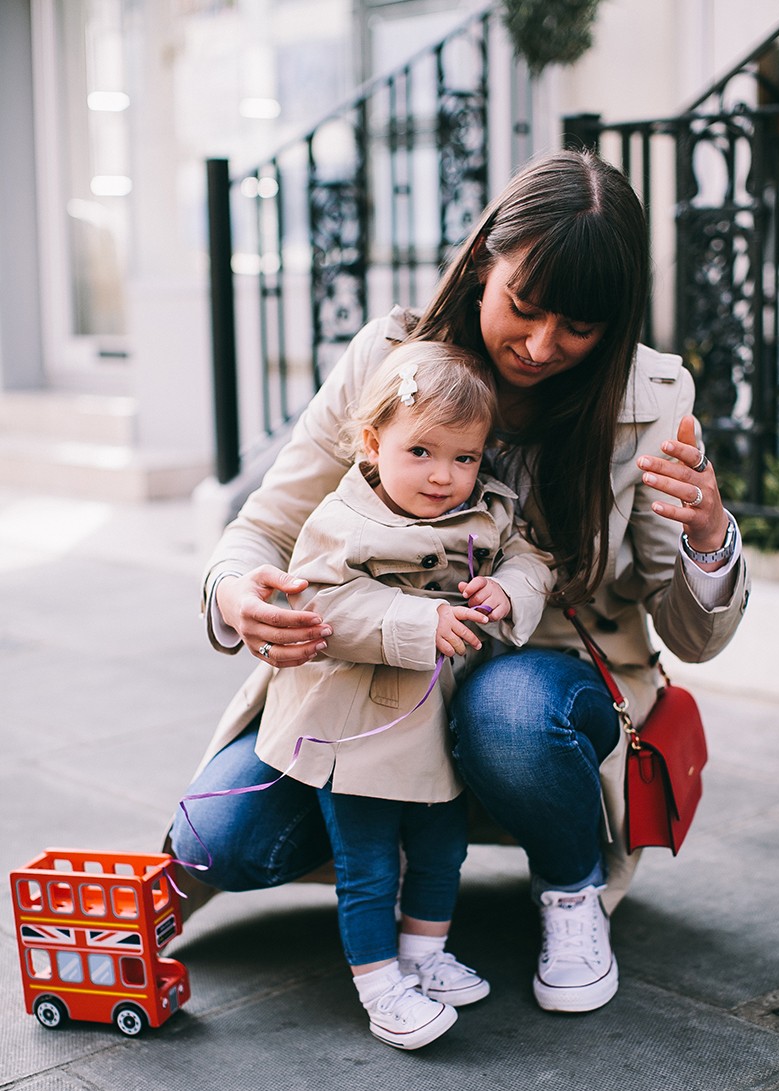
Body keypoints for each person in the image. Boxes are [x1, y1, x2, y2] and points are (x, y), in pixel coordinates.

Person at [169, 148, 749, 1021]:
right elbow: (266, 522)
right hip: (373, 685)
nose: (543, 346)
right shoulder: (391, 361)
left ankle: (569, 887)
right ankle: (403, 838)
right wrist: (234, 590)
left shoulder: (653, 397)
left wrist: (709, 535)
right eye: (525, 305)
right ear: (486, 258)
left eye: (579, 326)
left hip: (542, 687)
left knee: (507, 714)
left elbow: (692, 634)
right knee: (213, 842)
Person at [239, 340, 552, 1048]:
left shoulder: (488, 510)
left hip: (435, 723)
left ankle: (425, 956)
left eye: (465, 458)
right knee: (369, 862)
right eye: (422, 453)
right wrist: (418, 618)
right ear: (375, 444)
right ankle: (381, 986)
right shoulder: (340, 523)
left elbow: (535, 557)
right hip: (359, 728)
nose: (446, 477)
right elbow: (322, 607)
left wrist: (510, 587)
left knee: (443, 848)